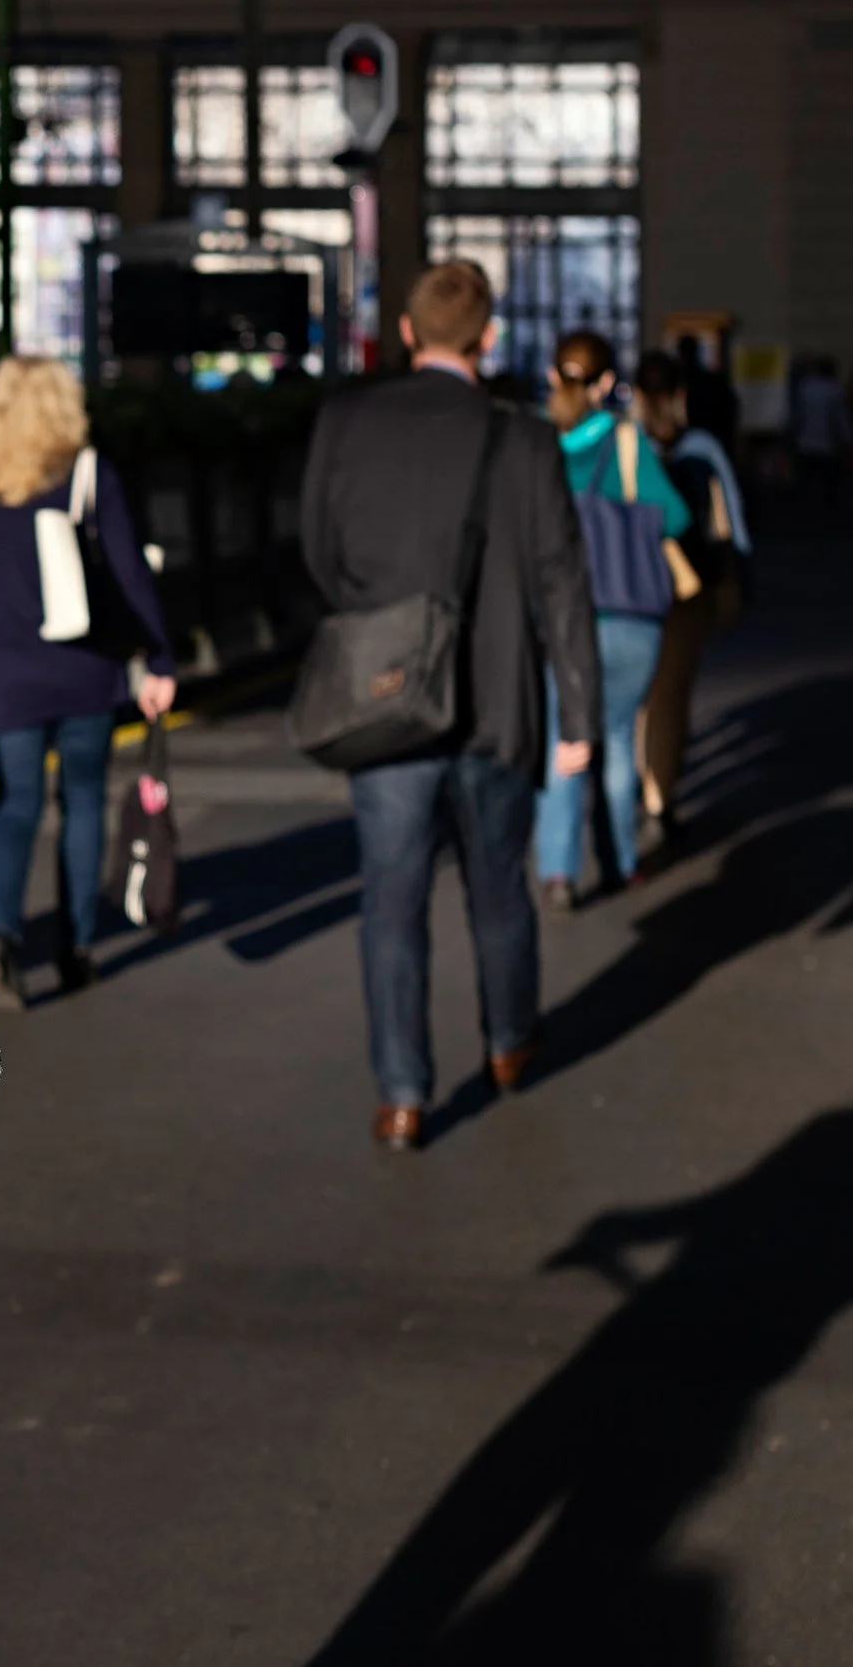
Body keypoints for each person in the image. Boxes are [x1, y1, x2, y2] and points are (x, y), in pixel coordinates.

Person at [297, 260, 601, 1151]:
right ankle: (508, 1043)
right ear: (489, 339)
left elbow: (318, 550)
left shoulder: (347, 422)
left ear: (404, 331)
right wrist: (579, 717)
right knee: (498, 889)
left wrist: (373, 623)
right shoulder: (524, 439)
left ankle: (403, 1093)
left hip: (385, 703)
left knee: (390, 902)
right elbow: (563, 586)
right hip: (497, 707)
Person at [0, 356, 176, 1008]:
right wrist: (158, 661)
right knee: (82, 801)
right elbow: (131, 574)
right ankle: (76, 948)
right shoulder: (88, 472)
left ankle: (1, 944)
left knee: (16, 805)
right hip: (86, 668)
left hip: (7, 675)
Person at [537, 332, 693, 908]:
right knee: (619, 738)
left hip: (559, 616)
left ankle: (557, 871)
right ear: (607, 384)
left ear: (554, 377)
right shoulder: (627, 443)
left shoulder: (540, 445)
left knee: (560, 741)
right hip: (630, 615)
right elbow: (673, 516)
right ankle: (621, 862)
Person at [633, 350, 751, 846]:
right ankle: (661, 796)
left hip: (631, 589)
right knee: (672, 695)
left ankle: (639, 787)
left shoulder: (625, 444)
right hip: (689, 589)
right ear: (680, 396)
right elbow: (730, 523)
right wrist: (734, 580)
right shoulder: (704, 448)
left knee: (638, 699)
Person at [793, 356, 853, 519]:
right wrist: (846, 438)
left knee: (808, 480)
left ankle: (807, 510)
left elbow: (798, 415)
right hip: (828, 443)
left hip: (806, 441)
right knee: (829, 481)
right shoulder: (835, 390)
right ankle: (827, 513)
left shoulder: (805, 388)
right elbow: (840, 418)